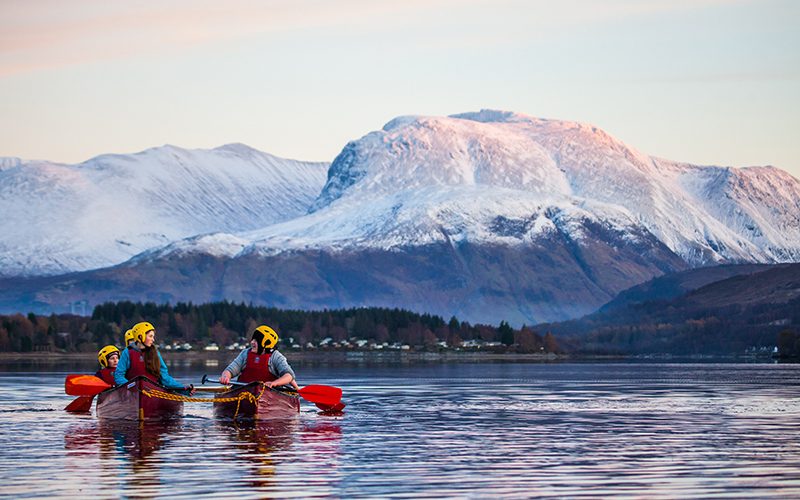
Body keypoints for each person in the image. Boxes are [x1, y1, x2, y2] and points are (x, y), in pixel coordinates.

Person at [114, 321, 195, 394]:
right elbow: (118, 375)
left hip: (154, 391)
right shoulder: (127, 352)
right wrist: (131, 387)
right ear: (140, 336)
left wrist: (182, 389)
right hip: (132, 392)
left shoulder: (155, 352)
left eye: (153, 337)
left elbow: (164, 377)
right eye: (150, 336)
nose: (153, 340)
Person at [220, 325, 299, 390]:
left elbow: (289, 376)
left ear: (266, 343)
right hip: (242, 391)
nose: (252, 342)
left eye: (257, 341)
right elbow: (230, 370)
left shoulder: (276, 357)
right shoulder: (245, 354)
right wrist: (225, 377)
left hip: (271, 392)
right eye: (253, 339)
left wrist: (274, 383)